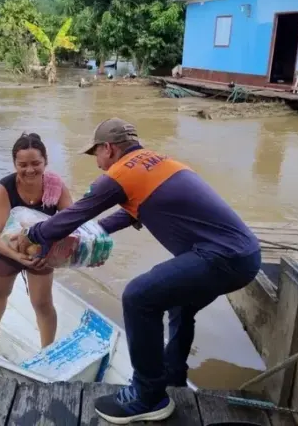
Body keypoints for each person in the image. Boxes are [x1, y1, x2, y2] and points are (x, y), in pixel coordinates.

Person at [13, 118, 261, 424]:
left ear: (109, 148)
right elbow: (124, 216)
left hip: (221, 258)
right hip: (245, 256)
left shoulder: (121, 172)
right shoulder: (159, 164)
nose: (98, 163)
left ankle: (147, 397)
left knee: (138, 297)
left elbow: (76, 214)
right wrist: (88, 238)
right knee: (179, 302)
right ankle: (173, 379)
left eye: (96, 154)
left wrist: (33, 234)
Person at [0, 132, 73, 353]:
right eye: (22, 165)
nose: (29, 170)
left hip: (42, 254)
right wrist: (17, 256)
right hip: (7, 251)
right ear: (14, 164)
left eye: (36, 163)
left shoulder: (56, 187)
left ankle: (47, 351)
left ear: (45, 162)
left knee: (42, 303)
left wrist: (57, 253)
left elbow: (73, 223)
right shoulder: (4, 189)